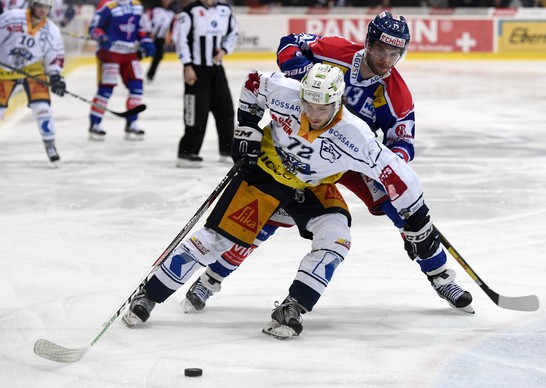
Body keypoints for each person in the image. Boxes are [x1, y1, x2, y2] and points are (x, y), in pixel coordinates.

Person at [122, 63, 463, 339]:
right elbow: (254, 82)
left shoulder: (354, 135)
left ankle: (293, 306)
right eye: (308, 105)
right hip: (265, 176)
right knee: (216, 240)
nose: (313, 114)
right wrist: (247, 128)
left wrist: (418, 221)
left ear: (339, 102)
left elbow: (400, 175)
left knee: (337, 237)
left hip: (310, 187)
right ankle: (149, 294)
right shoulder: (286, 92)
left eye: (322, 107)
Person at [181, 11, 473, 314]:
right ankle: (211, 278)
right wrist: (301, 73)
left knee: (404, 210)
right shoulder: (335, 51)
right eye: (380, 50)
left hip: (347, 157)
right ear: (368, 42)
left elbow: (402, 142)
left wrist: (388, 169)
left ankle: (440, 276)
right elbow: (289, 44)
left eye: (394, 53)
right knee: (267, 216)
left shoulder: (396, 94)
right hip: (299, 146)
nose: (386, 60)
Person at [0, 0, 66, 163]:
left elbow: (55, 55)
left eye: (46, 7)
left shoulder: (52, 30)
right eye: (39, 6)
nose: (43, 10)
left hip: (33, 71)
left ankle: (50, 145)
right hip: (4, 70)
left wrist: (56, 76)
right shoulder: (11, 18)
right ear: (32, 5)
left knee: (43, 109)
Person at [174, 0, 237, 167]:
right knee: (196, 111)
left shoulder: (225, 10)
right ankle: (187, 153)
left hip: (216, 68)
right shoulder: (189, 11)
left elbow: (233, 33)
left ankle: (227, 150)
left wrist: (224, 50)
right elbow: (180, 40)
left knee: (225, 109)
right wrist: (187, 65)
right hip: (195, 69)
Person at [87, 0, 155, 141]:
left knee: (137, 87)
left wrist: (145, 41)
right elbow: (94, 28)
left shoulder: (137, 5)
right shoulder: (107, 5)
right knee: (106, 90)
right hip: (110, 54)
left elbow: (139, 28)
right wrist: (101, 37)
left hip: (130, 53)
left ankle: (132, 122)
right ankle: (95, 123)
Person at [144, 0, 175, 82]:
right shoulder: (155, 10)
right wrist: (149, 32)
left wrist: (171, 37)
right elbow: (146, 18)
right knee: (143, 52)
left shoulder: (171, 14)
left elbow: (172, 26)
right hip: (150, 37)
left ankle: (150, 75)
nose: (167, 2)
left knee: (159, 55)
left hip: (160, 38)